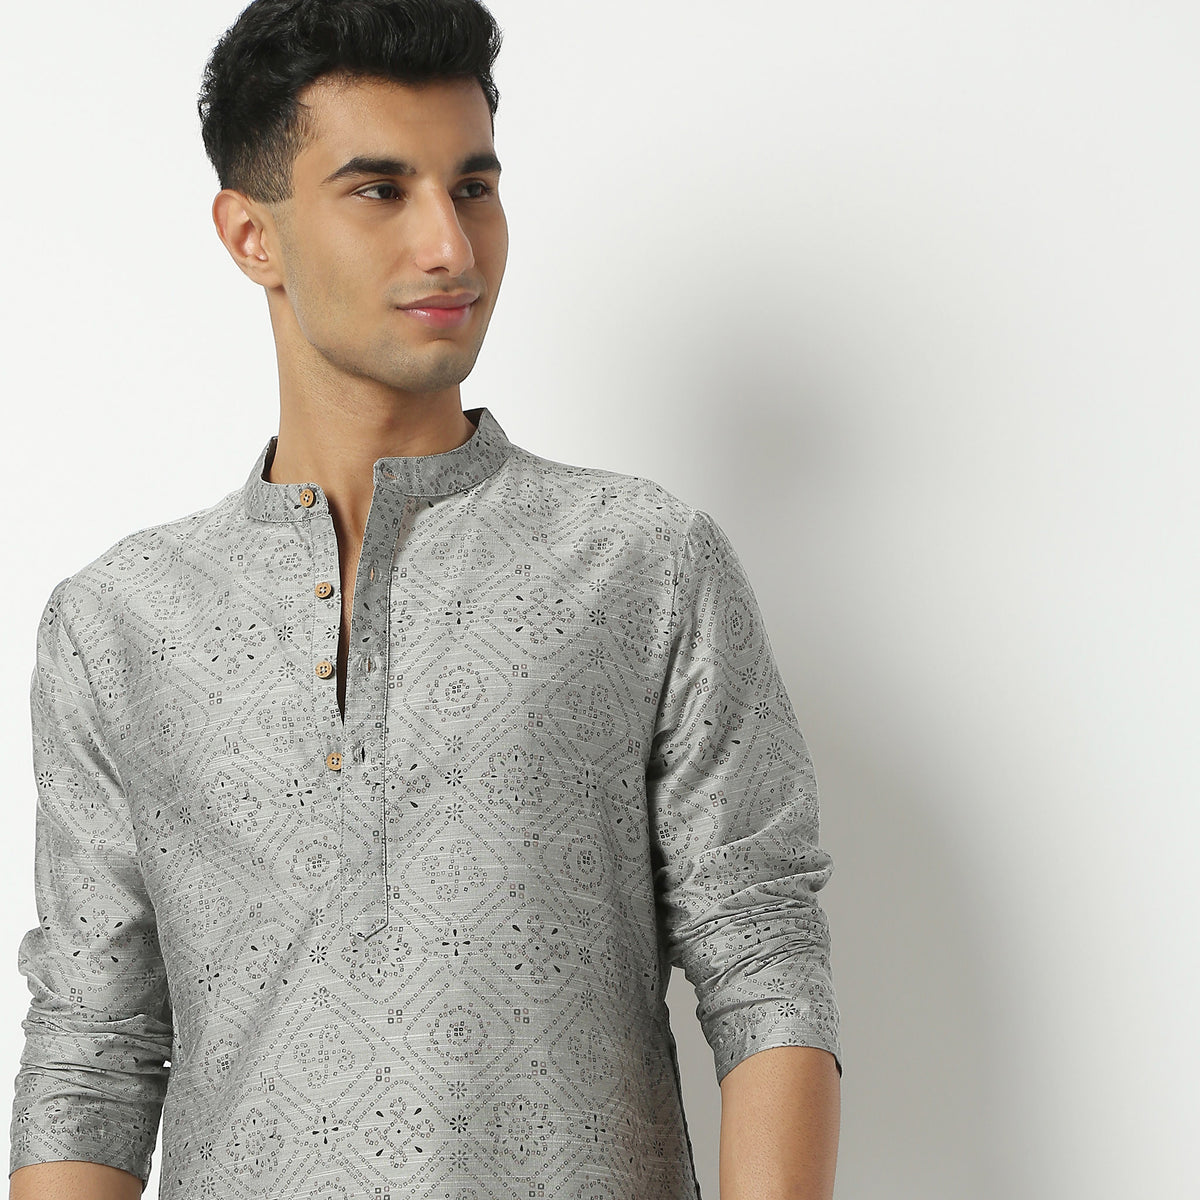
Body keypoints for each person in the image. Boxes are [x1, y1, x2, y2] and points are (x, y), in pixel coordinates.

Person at [7, 2, 842, 1197]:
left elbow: (763, 957)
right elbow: (94, 1049)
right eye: (380, 190)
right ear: (251, 234)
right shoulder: (121, 623)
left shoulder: (642, 563)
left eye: (474, 188)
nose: (451, 245)